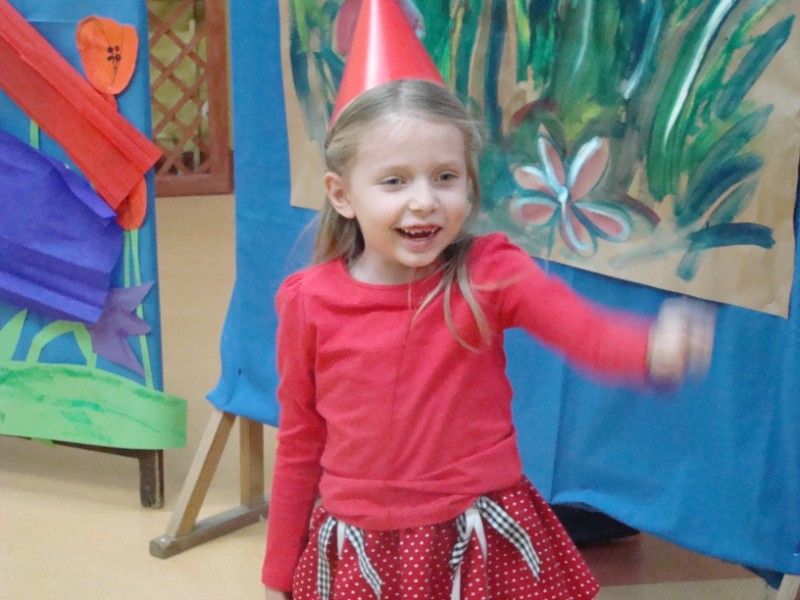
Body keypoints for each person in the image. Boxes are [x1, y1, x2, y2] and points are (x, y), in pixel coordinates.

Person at [262, 78, 715, 600]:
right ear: (342, 194)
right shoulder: (309, 301)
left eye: (445, 176)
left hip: (479, 540)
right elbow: (300, 440)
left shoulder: (490, 272)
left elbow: (581, 330)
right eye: (394, 181)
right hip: (364, 554)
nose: (424, 201)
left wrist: (651, 349)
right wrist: (278, 573)